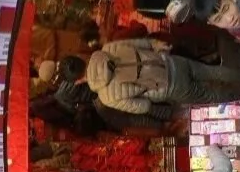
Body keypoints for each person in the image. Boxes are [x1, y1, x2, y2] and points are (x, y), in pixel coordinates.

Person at [85, 38, 222, 119]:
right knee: (213, 72)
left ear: (78, 81)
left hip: (166, 87)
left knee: (209, 97)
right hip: (168, 61)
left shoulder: (106, 97)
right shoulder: (107, 48)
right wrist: (155, 44)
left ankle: (237, 98)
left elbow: (143, 107)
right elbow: (142, 43)